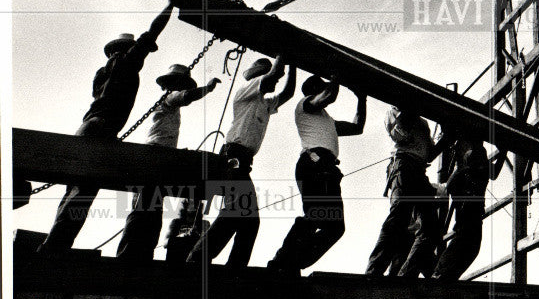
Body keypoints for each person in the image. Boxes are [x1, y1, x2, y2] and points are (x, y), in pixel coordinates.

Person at [37, 0, 183, 254]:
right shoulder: (126, 64)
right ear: (127, 50)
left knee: (73, 191)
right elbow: (152, 32)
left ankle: (53, 244)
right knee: (83, 193)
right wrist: (170, 6)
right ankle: (55, 249)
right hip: (103, 129)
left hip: (86, 128)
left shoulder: (101, 72)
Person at [187, 55, 295, 268]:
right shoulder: (246, 91)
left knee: (250, 221)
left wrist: (293, 63)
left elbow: (288, 92)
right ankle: (197, 258)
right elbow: (273, 75)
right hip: (232, 156)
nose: (276, 80)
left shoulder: (265, 104)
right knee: (236, 210)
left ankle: (235, 267)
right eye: (272, 76)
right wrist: (285, 53)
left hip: (243, 161)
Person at [115, 64, 221, 263]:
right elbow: (188, 96)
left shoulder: (169, 104)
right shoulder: (170, 98)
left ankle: (140, 256)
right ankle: (129, 257)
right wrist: (208, 88)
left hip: (160, 158)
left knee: (150, 211)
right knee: (144, 210)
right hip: (155, 157)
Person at [267, 76, 367, 275]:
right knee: (315, 216)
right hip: (314, 164)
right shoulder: (305, 105)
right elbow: (329, 95)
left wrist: (361, 100)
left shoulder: (326, 120)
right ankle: (283, 260)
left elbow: (357, 128)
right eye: (322, 87)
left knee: (335, 228)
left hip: (325, 168)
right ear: (314, 91)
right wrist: (336, 76)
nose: (326, 89)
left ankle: (293, 261)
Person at [365, 107, 446, 278]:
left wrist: (448, 137)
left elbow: (429, 154)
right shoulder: (394, 111)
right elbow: (400, 134)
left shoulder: (423, 123)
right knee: (400, 216)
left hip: (418, 170)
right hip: (404, 164)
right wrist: (413, 107)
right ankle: (374, 271)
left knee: (430, 229)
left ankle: (405, 274)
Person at [432, 133, 489, 280]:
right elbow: (451, 186)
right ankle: (441, 273)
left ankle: (443, 274)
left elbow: (450, 186)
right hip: (469, 210)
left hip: (470, 210)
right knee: (467, 243)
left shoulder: (471, 163)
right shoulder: (472, 161)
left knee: (468, 245)